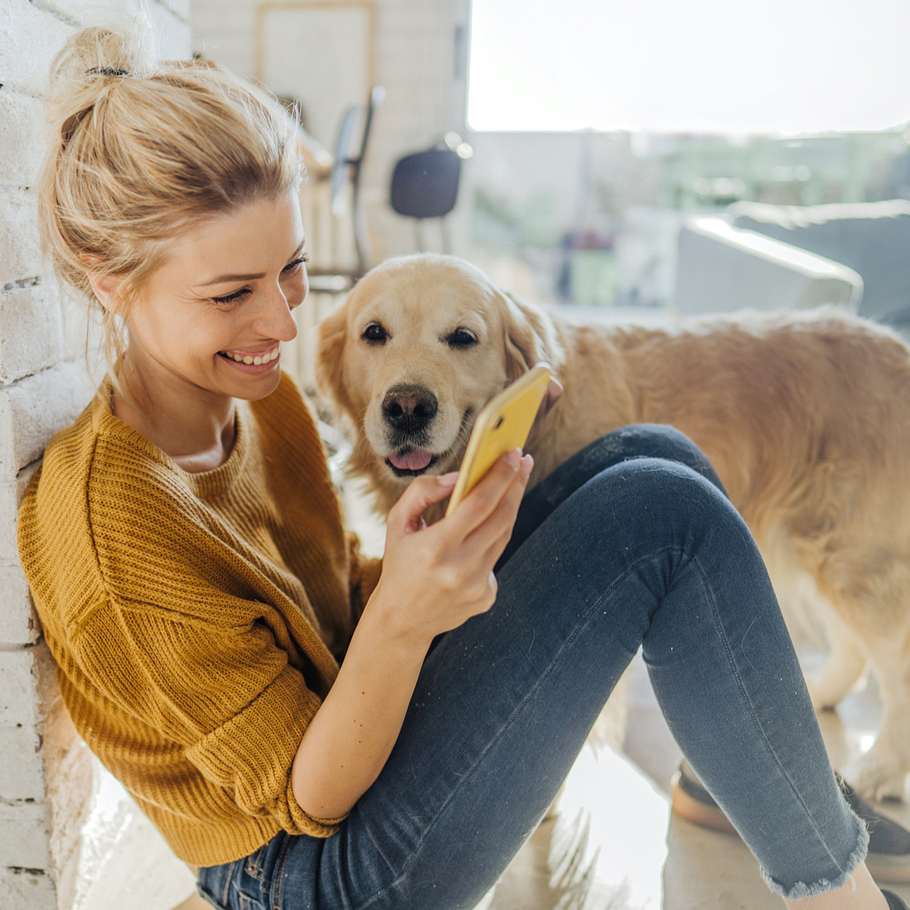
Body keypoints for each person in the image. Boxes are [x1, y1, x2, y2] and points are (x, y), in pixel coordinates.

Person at [16, 17, 908, 910]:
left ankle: (746, 782)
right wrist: (407, 614)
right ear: (109, 279)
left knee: (649, 458)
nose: (283, 324)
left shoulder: (258, 400)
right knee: (657, 515)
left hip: (361, 765)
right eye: (231, 293)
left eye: (290, 270)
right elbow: (306, 797)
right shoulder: (115, 528)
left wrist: (427, 565)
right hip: (312, 872)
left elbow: (329, 601)